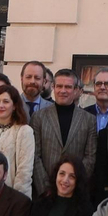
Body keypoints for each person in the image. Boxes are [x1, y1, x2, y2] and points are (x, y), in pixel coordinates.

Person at [32, 69, 97, 198]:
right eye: (59, 86)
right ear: (53, 87)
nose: (63, 91)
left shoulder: (89, 119)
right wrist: (46, 188)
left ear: (75, 90)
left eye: (68, 87)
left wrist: (74, 184)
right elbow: (35, 156)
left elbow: (90, 157)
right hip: (45, 193)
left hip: (75, 194)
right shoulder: (39, 117)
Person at [86, 67, 108, 132]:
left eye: (107, 84)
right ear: (94, 87)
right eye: (98, 84)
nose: (102, 87)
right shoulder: (84, 114)